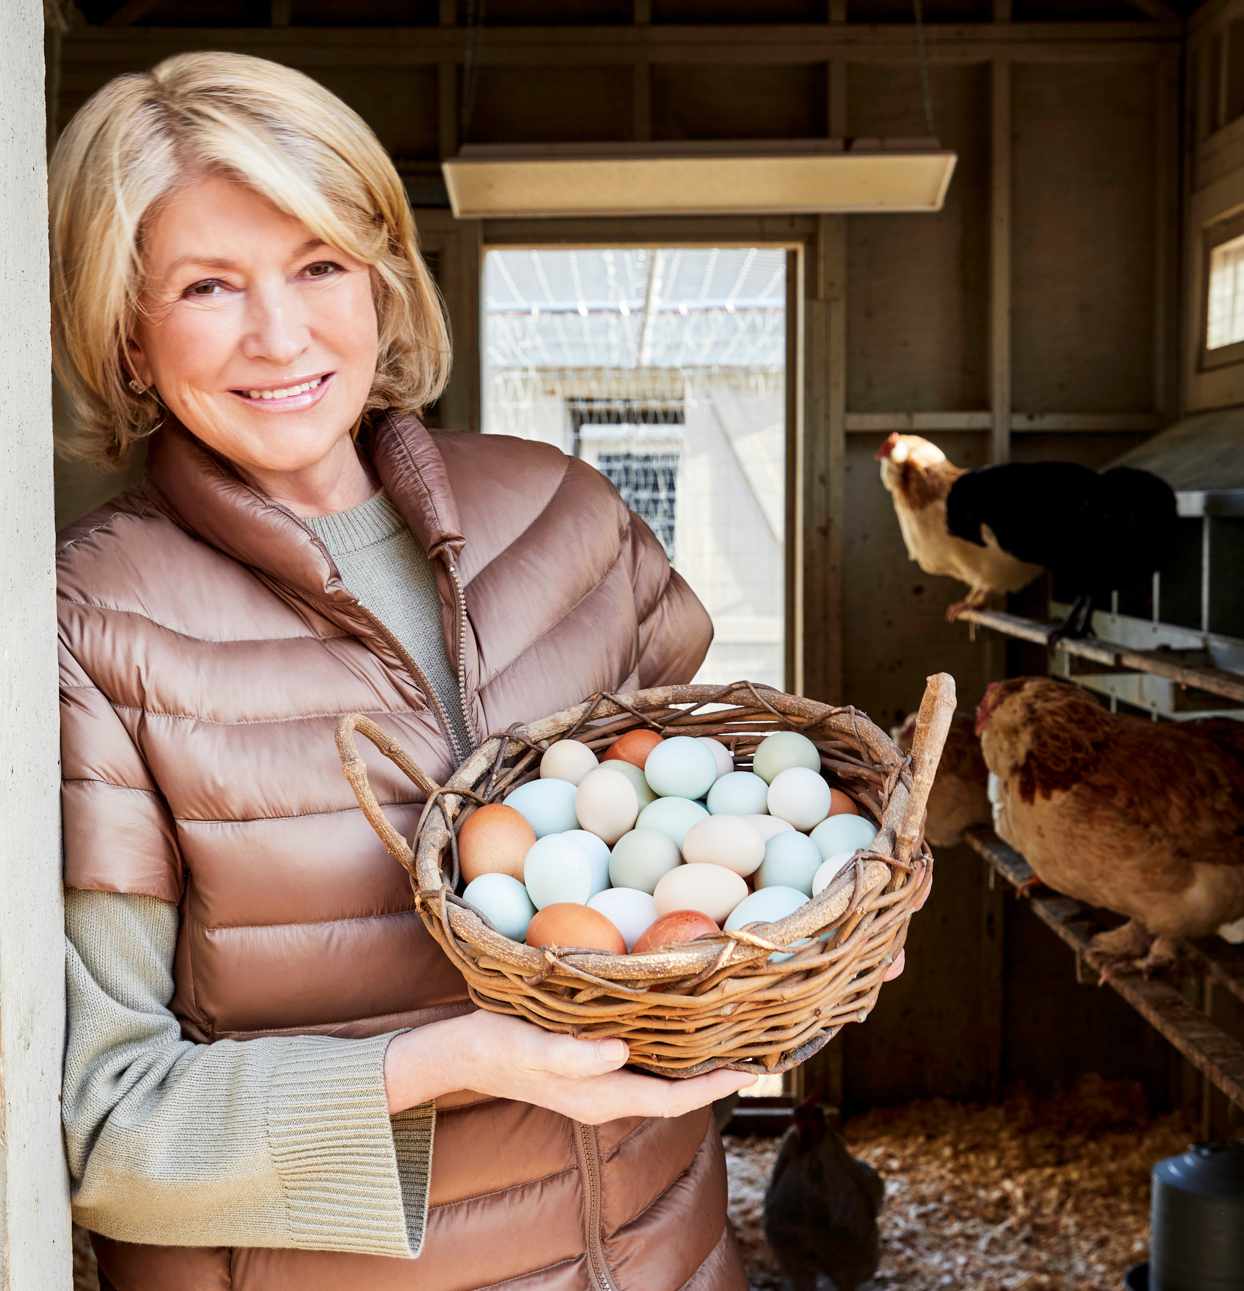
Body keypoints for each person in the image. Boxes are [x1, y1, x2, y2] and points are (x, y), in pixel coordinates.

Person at [51, 51, 759, 1291]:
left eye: (320, 263)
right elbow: (109, 1127)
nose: (282, 334)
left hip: (665, 1253)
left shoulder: (562, 516)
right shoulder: (96, 628)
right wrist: (444, 1063)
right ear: (127, 335)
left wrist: (794, 926)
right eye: (208, 285)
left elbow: (722, 836)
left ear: (382, 275)